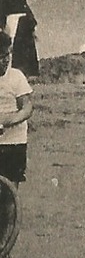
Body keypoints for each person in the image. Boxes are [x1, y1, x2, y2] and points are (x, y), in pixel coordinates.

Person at [0, 33, 33, 195]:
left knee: (10, 193)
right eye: (0, 57)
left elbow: (27, 107)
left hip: (14, 142)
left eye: (7, 55)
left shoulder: (16, 77)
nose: (4, 60)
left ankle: (10, 221)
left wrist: (9, 121)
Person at [0, 0, 39, 79]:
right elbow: (32, 19)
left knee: (7, 49)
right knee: (24, 51)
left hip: (12, 27)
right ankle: (28, 74)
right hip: (25, 26)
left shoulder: (2, 1)